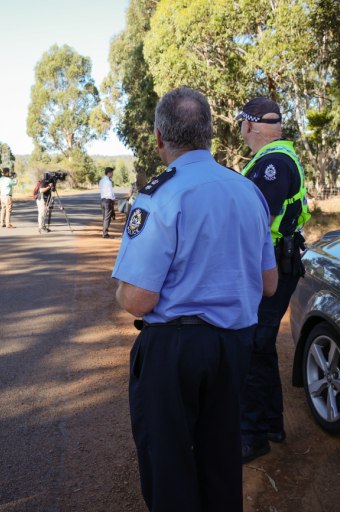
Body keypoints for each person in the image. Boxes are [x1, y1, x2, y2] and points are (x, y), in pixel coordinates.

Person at [112, 87, 278, 511]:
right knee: (221, 459)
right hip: (235, 346)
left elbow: (138, 300)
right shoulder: (248, 192)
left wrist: (121, 289)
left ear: (159, 138)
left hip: (175, 350)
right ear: (209, 135)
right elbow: (270, 284)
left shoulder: (159, 195)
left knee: (168, 465)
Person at [235, 97, 310, 464]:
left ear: (249, 125)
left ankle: (252, 436)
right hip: (280, 262)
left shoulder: (273, 164)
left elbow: (255, 224)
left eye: (241, 125)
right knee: (261, 346)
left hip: (273, 266)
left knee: (251, 346)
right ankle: (271, 424)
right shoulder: (277, 158)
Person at [99, 166, 116, 238]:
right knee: (107, 218)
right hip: (108, 201)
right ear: (109, 173)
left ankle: (104, 232)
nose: (112, 174)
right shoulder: (109, 182)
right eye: (112, 173)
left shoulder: (101, 181)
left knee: (104, 217)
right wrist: (114, 199)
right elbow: (110, 193)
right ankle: (105, 234)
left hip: (102, 200)